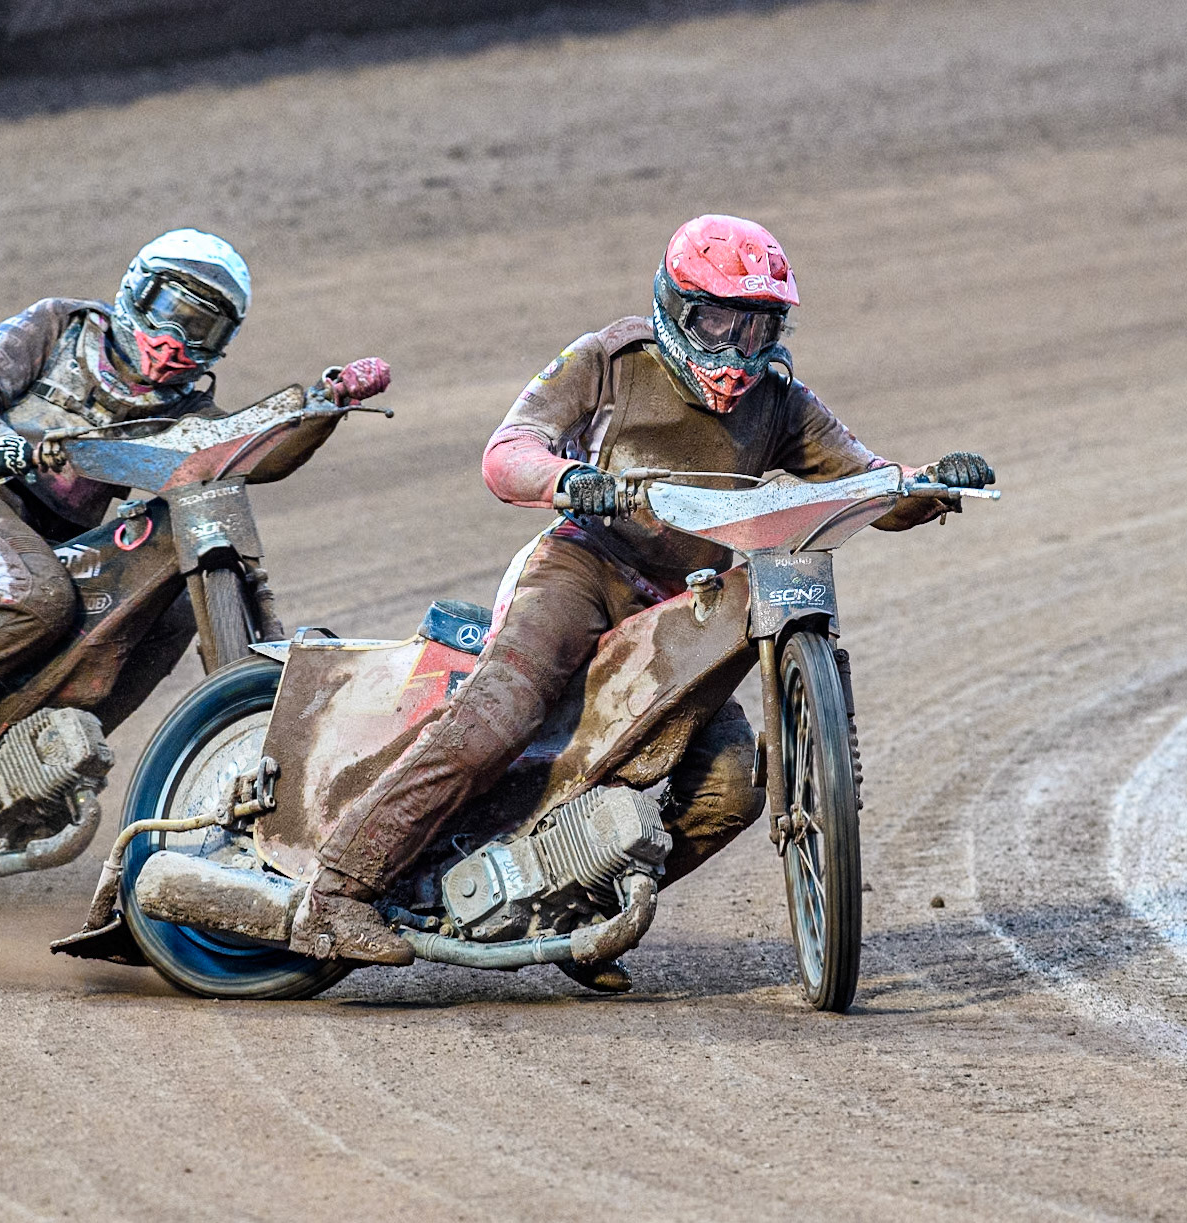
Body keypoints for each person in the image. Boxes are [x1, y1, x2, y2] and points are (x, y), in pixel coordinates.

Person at [289, 214, 994, 978]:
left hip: (679, 608)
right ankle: (336, 891)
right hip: (583, 568)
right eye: (717, 320)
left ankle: (577, 915)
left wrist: (926, 485)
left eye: (759, 329)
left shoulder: (782, 402)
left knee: (732, 784)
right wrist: (567, 480)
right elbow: (507, 451)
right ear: (673, 305)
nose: (736, 351)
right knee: (501, 715)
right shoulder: (610, 359)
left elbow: (864, 481)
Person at [0, 228, 388, 845]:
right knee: (40, 599)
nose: (177, 343)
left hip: (58, 533)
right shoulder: (60, 326)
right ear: (136, 292)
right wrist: (0, 441)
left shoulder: (185, 411)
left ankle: (34, 761)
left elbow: (249, 458)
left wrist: (324, 406)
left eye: (205, 331)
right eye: (174, 313)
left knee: (165, 610)